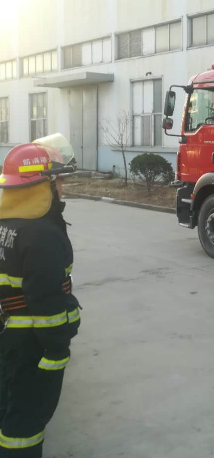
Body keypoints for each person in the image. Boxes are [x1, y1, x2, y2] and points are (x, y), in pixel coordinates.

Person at [0, 134, 81, 458]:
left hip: (7, 337)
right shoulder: (42, 234)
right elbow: (47, 301)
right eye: (57, 180)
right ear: (41, 185)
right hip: (32, 344)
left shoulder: (7, 224)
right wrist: (58, 347)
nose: (62, 187)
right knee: (26, 423)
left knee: (8, 405)